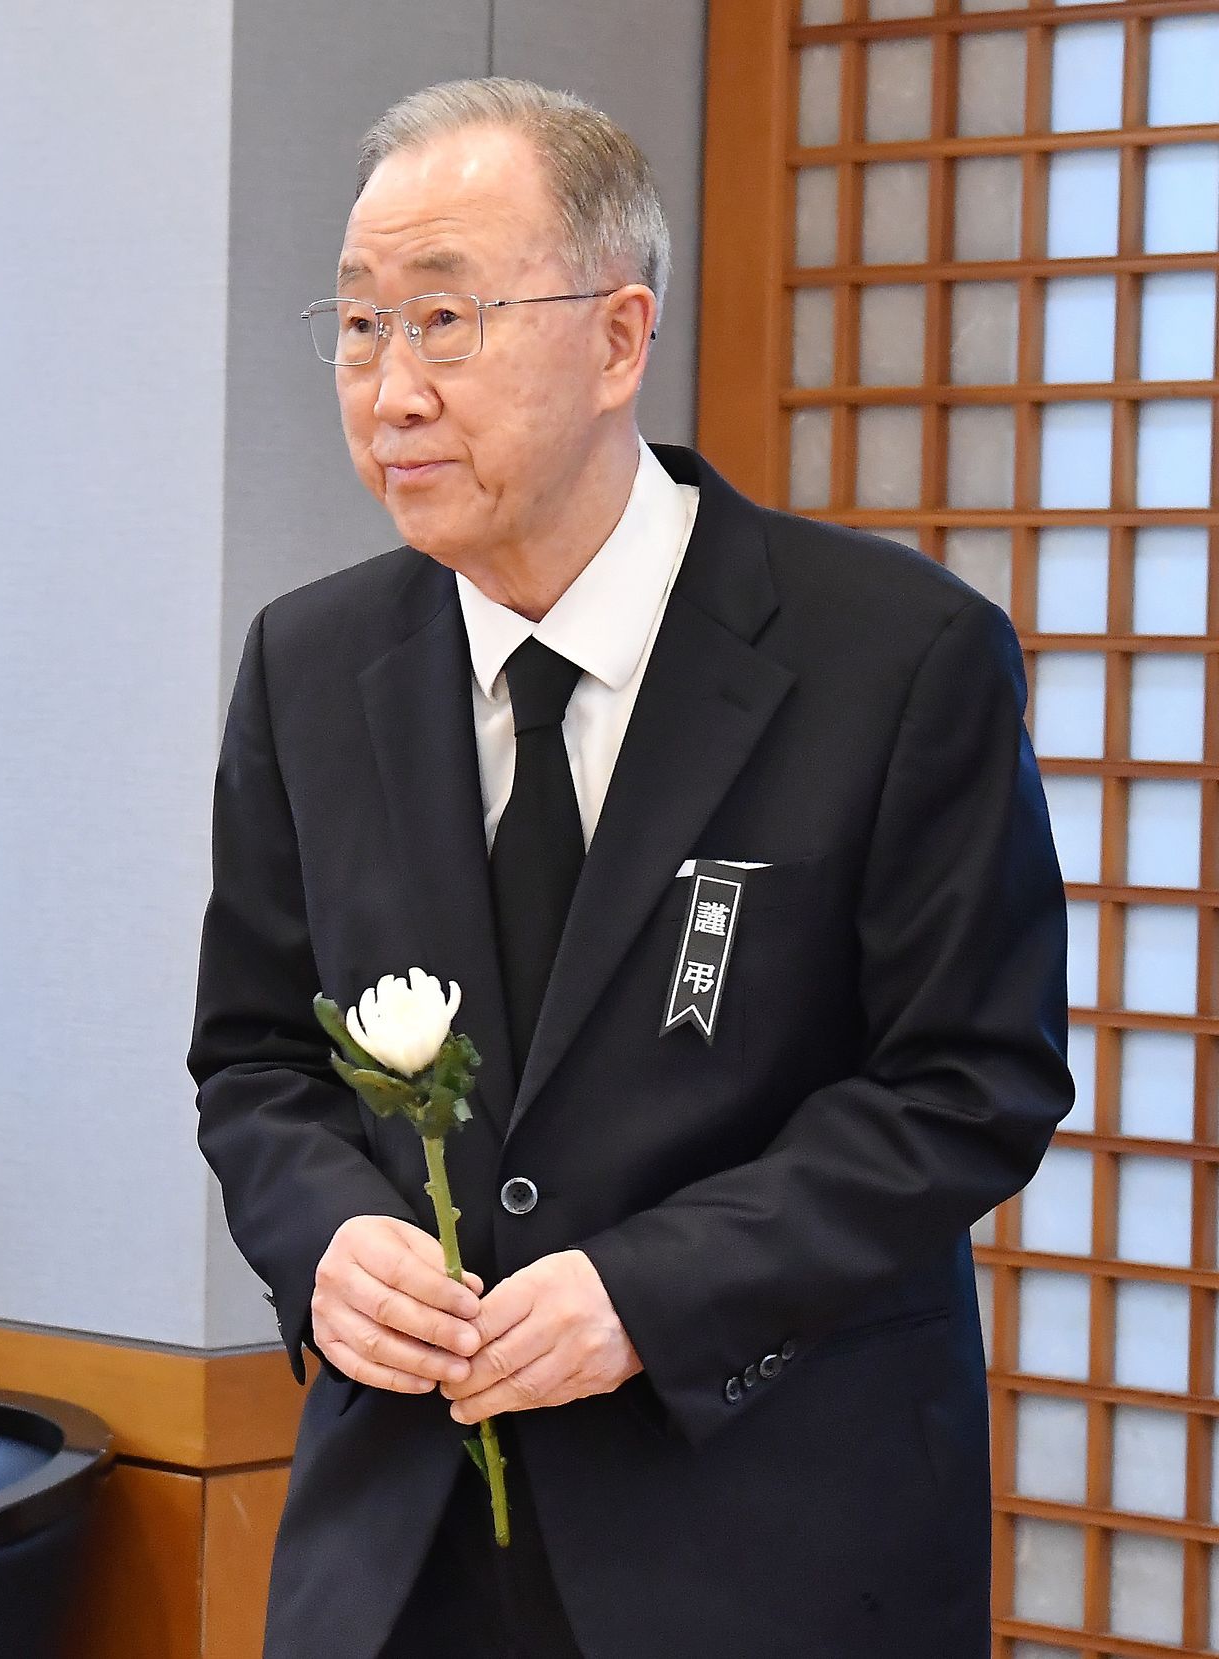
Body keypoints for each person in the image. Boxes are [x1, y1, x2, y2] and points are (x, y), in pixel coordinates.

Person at [186, 75, 1072, 1659]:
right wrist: (328, 1239)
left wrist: (647, 1297)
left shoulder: (897, 654)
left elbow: (966, 1082)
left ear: (616, 338)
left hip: (774, 1536)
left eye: (446, 319)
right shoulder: (309, 663)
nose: (389, 389)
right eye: (360, 325)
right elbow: (257, 1056)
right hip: (398, 1545)